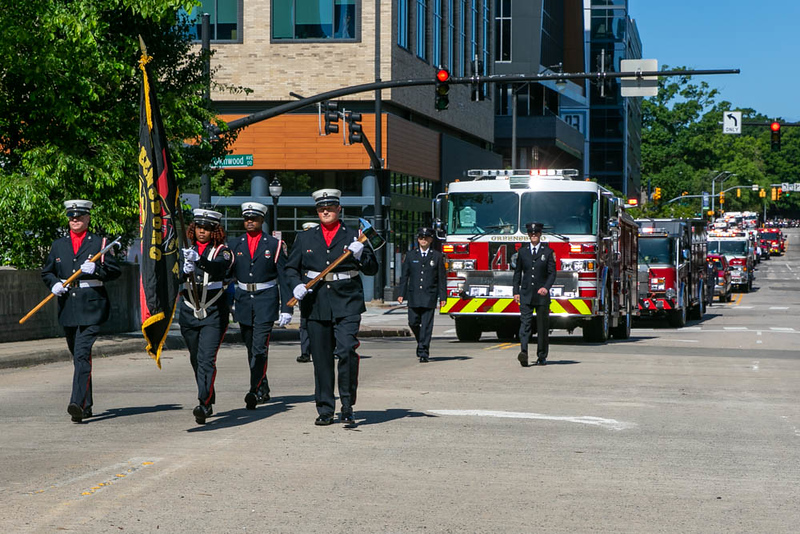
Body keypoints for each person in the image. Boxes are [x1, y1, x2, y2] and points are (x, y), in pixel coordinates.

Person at [285, 189, 379, 427]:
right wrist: (295, 285)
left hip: (346, 300)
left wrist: (359, 256)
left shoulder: (355, 236)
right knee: (322, 359)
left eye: (329, 207)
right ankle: (326, 408)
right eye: (320, 208)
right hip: (315, 302)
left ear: (339, 209)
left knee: (346, 350)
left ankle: (347, 405)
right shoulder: (305, 237)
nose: (325, 211)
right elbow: (290, 268)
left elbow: (372, 269)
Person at [41, 200, 121, 423]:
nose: (75, 220)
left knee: (82, 354)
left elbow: (114, 271)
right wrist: (54, 283)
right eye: (71, 217)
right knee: (79, 358)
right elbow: (47, 272)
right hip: (68, 306)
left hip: (92, 306)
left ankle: (77, 403)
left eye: (79, 217)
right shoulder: (58, 245)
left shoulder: (99, 243)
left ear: (87, 218)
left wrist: (98, 269)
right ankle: (87, 404)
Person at [229, 202, 292, 410]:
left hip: (266, 299)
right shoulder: (235, 244)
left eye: (254, 219)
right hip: (244, 300)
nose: (249, 222)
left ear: (261, 220)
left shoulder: (273, 245)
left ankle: (253, 390)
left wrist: (287, 307)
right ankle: (263, 386)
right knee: (250, 348)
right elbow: (228, 276)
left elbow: (283, 277)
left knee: (259, 348)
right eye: (247, 218)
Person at [179, 209, 234, 424]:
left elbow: (220, 269)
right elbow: (173, 276)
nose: (202, 232)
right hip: (188, 309)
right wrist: (182, 270)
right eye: (199, 227)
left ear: (215, 231)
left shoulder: (223, 251)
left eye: (208, 229)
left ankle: (203, 402)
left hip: (213, 311)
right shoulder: (185, 249)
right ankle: (208, 396)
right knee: (195, 359)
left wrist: (199, 261)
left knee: (206, 359)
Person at [397, 227, 446, 363]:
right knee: (413, 322)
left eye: (426, 238)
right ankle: (421, 342)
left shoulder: (437, 256)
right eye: (421, 238)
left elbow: (442, 278)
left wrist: (443, 297)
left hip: (429, 295)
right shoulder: (411, 255)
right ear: (418, 239)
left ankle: (424, 351)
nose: (423, 240)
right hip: (414, 295)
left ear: (431, 239)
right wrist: (401, 293)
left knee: (426, 325)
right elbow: (404, 276)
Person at [512, 222, 556, 367]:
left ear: (540, 235)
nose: (533, 236)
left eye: (536, 233)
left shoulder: (548, 252)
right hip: (526, 293)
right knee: (525, 324)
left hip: (541, 295)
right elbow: (517, 273)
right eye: (531, 234)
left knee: (542, 326)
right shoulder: (523, 252)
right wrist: (516, 291)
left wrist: (546, 288)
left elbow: (552, 273)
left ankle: (542, 355)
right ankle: (523, 352)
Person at [296, 222, 319, 364]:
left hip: (321, 288)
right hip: (304, 289)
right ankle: (305, 352)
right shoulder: (301, 245)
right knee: (304, 322)